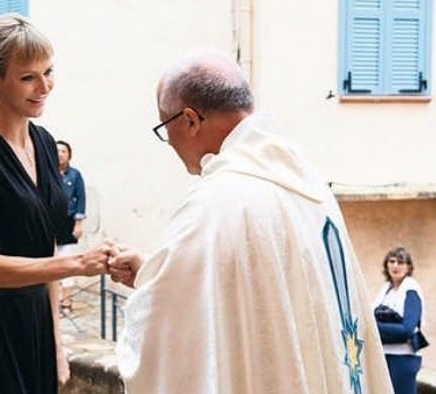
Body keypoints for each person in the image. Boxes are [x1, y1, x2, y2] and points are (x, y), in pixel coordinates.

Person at [107, 50, 394, 393]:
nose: (168, 142)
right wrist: (150, 272)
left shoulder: (216, 203)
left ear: (190, 120)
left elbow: (169, 336)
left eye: (164, 126)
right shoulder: (308, 185)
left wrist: (153, 289)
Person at [0, 13, 110, 393]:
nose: (44, 86)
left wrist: (58, 345)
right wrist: (78, 263)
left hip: (35, 321)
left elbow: (42, 249)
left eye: (49, 71)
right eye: (28, 76)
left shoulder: (47, 143)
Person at [373, 246, 426, 394]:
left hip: (403, 358)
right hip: (384, 355)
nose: (395, 266)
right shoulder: (385, 290)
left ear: (408, 267)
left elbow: (407, 329)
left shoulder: (411, 289)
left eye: (401, 262)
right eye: (392, 261)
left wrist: (376, 328)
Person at [56, 140, 87, 312]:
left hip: (68, 223)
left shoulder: (75, 175)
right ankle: (53, 301)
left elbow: (81, 199)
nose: (59, 154)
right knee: (50, 262)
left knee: (66, 261)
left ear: (69, 155)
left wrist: (79, 223)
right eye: (57, 151)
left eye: (63, 151)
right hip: (50, 223)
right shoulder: (46, 173)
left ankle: (66, 301)